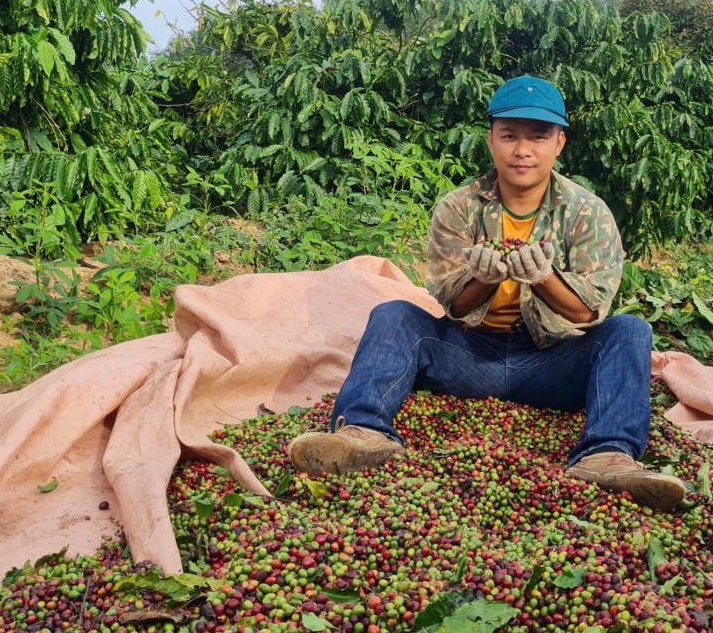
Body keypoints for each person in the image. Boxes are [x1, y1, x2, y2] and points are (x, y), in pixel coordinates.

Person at [287, 75, 686, 511]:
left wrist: (544, 277)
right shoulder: (458, 207)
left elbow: (588, 312)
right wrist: (486, 279)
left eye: (538, 136)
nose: (523, 150)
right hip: (469, 357)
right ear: (491, 140)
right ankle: (362, 433)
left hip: (553, 361)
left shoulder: (587, 212)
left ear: (560, 144)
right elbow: (453, 305)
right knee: (395, 314)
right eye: (509, 135)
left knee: (628, 331)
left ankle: (607, 456)